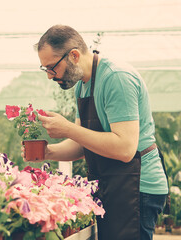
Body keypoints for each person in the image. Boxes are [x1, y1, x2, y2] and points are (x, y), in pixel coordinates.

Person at [28, 25, 168, 240]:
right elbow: (82, 142)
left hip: (137, 188)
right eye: (45, 69)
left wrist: (68, 128)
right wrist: (46, 152)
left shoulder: (116, 78)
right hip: (113, 184)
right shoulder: (83, 85)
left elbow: (125, 149)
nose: (49, 76)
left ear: (74, 55)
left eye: (51, 67)